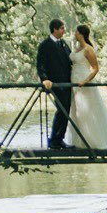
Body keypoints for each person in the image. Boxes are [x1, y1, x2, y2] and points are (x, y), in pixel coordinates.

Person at [68, 24, 107, 150]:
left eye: (76, 32)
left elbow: (95, 68)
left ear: (81, 34)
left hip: (83, 80)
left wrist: (85, 81)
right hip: (73, 80)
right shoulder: (77, 48)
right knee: (76, 111)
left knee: (86, 110)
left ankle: (91, 141)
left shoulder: (88, 49)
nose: (74, 34)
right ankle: (79, 141)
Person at [36, 18, 73, 150]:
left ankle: (59, 139)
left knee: (66, 110)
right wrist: (44, 79)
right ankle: (54, 140)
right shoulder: (45, 45)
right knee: (62, 110)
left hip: (67, 83)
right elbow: (40, 64)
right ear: (55, 29)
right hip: (54, 84)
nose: (64, 31)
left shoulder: (63, 44)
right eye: (62, 28)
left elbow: (70, 60)